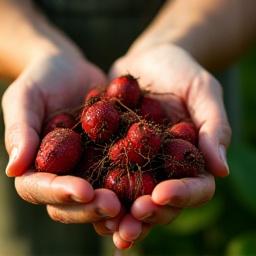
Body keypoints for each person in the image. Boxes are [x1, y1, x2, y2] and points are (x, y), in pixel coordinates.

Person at [1, 0, 255, 251]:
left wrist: (174, 45)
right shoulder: (80, 130)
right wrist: (37, 53)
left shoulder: (147, 133)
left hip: (204, 38)